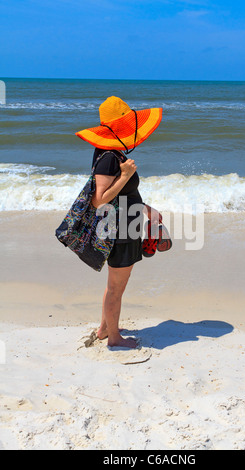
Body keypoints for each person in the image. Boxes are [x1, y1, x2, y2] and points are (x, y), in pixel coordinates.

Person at [76, 96, 163, 348]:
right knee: (116, 288)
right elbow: (100, 200)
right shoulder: (109, 157)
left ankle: (105, 328)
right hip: (121, 229)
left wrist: (147, 209)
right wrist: (125, 175)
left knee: (115, 285)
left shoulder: (113, 153)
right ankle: (113, 338)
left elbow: (122, 195)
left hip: (128, 222)